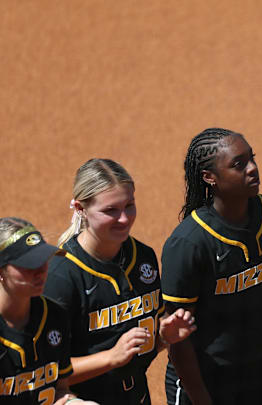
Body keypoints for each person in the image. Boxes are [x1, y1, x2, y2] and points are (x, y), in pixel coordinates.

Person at [161, 128, 262, 405]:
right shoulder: (189, 243)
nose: (252, 169)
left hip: (259, 373)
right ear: (209, 177)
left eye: (252, 159)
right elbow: (179, 339)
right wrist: (202, 401)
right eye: (239, 164)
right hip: (202, 382)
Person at [44, 158, 196, 405]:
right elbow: (43, 371)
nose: (124, 219)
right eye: (110, 210)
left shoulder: (142, 257)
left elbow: (136, 348)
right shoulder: (61, 275)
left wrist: (164, 338)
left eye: (129, 205)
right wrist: (111, 357)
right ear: (80, 209)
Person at [0, 217, 99, 405]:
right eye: (27, 264)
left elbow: (60, 388)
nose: (40, 271)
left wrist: (73, 403)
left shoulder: (54, 316)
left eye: (43, 259)